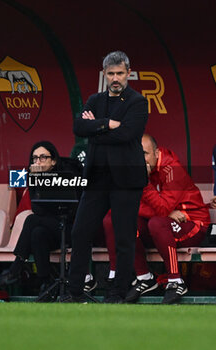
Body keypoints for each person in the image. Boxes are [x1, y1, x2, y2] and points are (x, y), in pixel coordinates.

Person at [61, 51, 148, 303]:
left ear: (128, 73)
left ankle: (117, 293)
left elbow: (128, 134)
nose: (115, 78)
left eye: (120, 73)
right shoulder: (94, 99)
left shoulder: (137, 102)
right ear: (104, 74)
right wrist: (108, 123)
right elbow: (78, 127)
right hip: (97, 178)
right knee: (80, 232)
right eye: (110, 74)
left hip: (127, 180)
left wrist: (96, 126)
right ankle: (76, 292)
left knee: (123, 237)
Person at [104, 134, 210, 304]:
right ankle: (144, 277)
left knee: (157, 222)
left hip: (192, 224)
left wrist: (144, 183)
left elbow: (161, 208)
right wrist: (165, 213)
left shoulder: (171, 169)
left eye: (145, 154)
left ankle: (175, 281)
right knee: (116, 218)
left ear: (156, 152)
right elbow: (129, 205)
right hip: (164, 224)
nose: (141, 159)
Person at [0, 141, 91, 300]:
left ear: (53, 161)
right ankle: (46, 282)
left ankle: (16, 268)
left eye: (43, 158)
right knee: (37, 233)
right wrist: (35, 180)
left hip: (70, 230)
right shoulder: (34, 178)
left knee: (31, 221)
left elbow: (71, 212)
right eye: (35, 158)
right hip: (50, 232)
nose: (38, 162)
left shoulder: (68, 174)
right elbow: (39, 210)